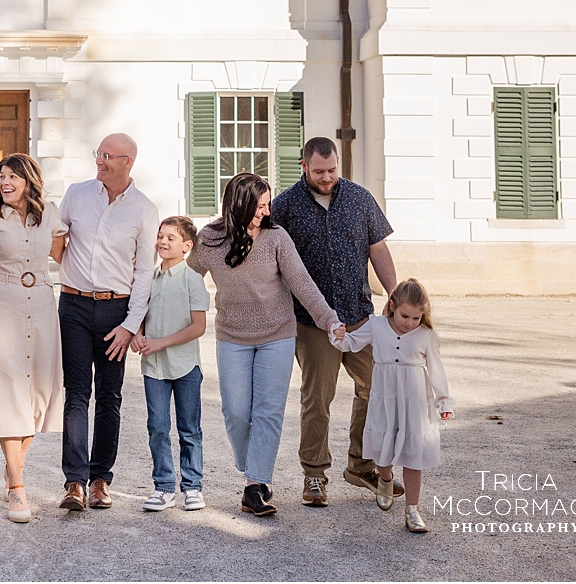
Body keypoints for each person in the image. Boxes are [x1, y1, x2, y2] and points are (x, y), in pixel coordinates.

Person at [188, 173, 340, 517]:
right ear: (238, 204)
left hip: (277, 335)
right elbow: (184, 278)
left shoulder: (275, 238)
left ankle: (254, 485)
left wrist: (328, 318)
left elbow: (301, 282)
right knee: (236, 412)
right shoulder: (209, 239)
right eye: (259, 205)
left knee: (267, 412)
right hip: (232, 336)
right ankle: (253, 467)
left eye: (267, 204)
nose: (265, 211)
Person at [271, 136, 399, 507]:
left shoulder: (360, 199)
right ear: (304, 166)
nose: (327, 178)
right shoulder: (285, 207)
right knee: (317, 399)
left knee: (376, 388)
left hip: (360, 315)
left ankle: (360, 465)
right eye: (319, 171)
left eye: (332, 170)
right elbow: (273, 260)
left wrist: (392, 292)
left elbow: (378, 248)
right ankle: (314, 476)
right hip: (312, 324)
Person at [0, 154, 68, 523]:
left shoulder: (50, 216)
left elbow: (67, 256)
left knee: (37, 390)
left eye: (12, 176)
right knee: (6, 390)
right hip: (0, 303)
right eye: (1, 177)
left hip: (41, 302)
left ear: (29, 180)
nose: (5, 182)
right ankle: (18, 487)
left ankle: (14, 467)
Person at [56, 133, 159, 511]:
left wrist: (131, 324)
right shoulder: (77, 194)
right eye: (98, 154)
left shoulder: (145, 210)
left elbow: (144, 273)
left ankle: (101, 479)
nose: (99, 161)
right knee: (77, 393)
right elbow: (55, 238)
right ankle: (74, 483)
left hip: (117, 312)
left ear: (128, 161)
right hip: (75, 306)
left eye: (107, 156)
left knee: (110, 397)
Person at [330, 279, 454, 532]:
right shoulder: (376, 325)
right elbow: (351, 344)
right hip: (384, 396)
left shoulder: (427, 336)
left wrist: (443, 400)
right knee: (382, 448)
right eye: (404, 315)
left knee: (413, 452)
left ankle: (413, 509)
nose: (409, 323)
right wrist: (338, 335)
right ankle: (385, 479)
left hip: (415, 399)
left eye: (416, 318)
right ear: (391, 306)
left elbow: (437, 370)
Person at [130, 216, 209, 512]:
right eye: (160, 236)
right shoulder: (147, 278)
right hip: (154, 369)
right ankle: (163, 486)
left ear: (186, 246)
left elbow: (198, 327)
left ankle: (192, 486)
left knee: (189, 429)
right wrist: (137, 334)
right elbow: (137, 312)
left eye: (170, 238)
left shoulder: (193, 280)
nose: (162, 242)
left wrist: (161, 342)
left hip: (186, 367)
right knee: (158, 427)